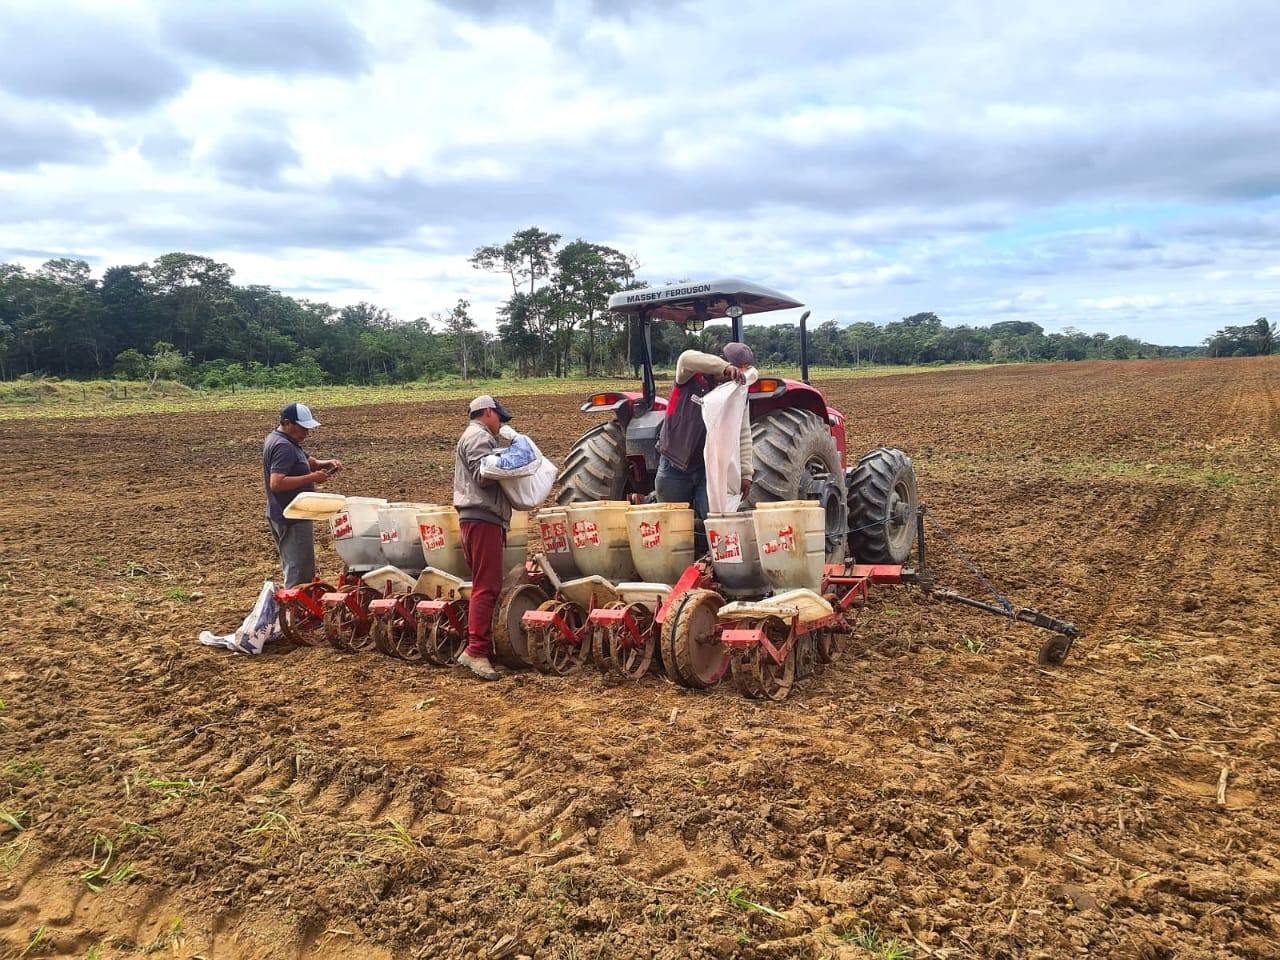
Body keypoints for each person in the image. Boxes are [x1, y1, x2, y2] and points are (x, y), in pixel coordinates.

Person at [453, 395, 516, 681]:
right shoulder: (478, 436)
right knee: (487, 586)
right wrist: (511, 461)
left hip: (475, 518)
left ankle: (479, 646)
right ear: (488, 412)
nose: (500, 424)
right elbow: (483, 474)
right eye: (499, 417)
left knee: (483, 583)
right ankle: (476, 651)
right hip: (482, 518)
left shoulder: (473, 435)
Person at [655, 342, 755, 519]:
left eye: (744, 370)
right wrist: (725, 367)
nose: (737, 376)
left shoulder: (737, 393)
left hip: (709, 470)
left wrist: (746, 473)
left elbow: (743, 432)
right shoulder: (692, 376)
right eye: (736, 370)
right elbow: (686, 358)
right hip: (674, 463)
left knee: (714, 520)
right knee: (672, 521)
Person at [263, 402, 343, 588]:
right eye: (303, 427)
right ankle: (295, 604)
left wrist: (325, 464)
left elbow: (308, 461)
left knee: (295, 566)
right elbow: (276, 483)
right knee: (299, 572)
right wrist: (312, 478)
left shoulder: (284, 440)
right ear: (287, 423)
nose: (307, 432)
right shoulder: (283, 446)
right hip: (292, 515)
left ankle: (296, 602)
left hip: (285, 511)